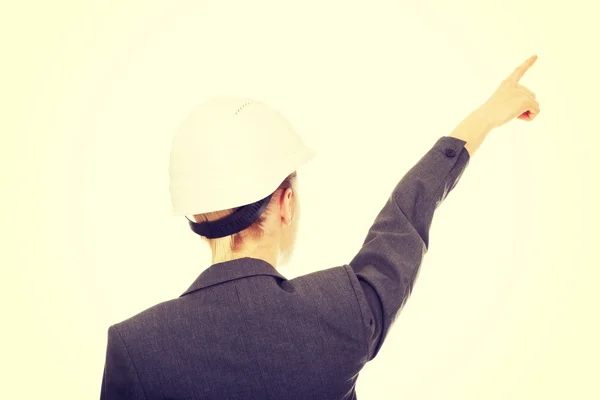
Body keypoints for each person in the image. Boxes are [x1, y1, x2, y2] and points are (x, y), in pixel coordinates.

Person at [100, 55, 540, 399]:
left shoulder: (135, 347)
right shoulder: (343, 310)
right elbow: (407, 215)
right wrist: (485, 116)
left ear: (195, 213)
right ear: (286, 203)